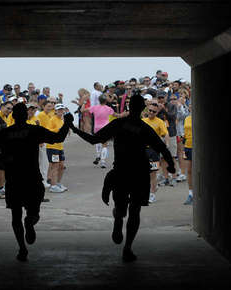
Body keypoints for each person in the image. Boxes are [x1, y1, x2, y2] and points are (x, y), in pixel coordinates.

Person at [69, 94, 175, 262]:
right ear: (143, 109)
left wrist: (75, 129)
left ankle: (118, 220)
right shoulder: (145, 128)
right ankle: (128, 247)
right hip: (139, 173)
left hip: (121, 172)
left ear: (128, 107)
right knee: (135, 211)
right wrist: (171, 164)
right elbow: (162, 147)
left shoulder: (118, 124)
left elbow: (94, 139)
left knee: (122, 208)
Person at [0, 88, 73, 261]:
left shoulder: (5, 133)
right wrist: (68, 122)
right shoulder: (34, 130)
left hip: (13, 178)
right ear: (26, 116)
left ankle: (22, 248)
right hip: (32, 177)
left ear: (13, 117)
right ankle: (31, 221)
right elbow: (58, 138)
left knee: (15, 215)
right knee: (34, 210)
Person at [85, 94, 128, 167]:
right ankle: (103, 161)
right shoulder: (108, 108)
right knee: (104, 145)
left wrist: (84, 103)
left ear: (99, 100)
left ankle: (98, 155)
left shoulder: (94, 107)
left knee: (97, 141)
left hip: (97, 128)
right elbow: (118, 116)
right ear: (106, 101)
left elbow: (82, 110)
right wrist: (124, 114)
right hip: (106, 127)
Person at [142, 103, 169, 203]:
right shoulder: (143, 121)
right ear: (147, 110)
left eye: (154, 112)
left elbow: (165, 134)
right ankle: (150, 189)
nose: (151, 113)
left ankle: (152, 194)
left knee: (153, 173)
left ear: (157, 113)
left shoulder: (160, 122)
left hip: (154, 151)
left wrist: (166, 145)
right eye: (150, 111)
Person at [46, 104, 70, 193]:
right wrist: (58, 129)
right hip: (52, 146)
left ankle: (57, 183)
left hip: (59, 146)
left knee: (61, 166)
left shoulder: (62, 120)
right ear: (55, 111)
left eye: (62, 110)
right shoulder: (52, 119)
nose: (60, 111)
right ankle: (53, 185)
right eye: (59, 110)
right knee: (55, 166)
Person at [183, 103, 193, 205]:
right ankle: (191, 193)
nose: (191, 107)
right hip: (187, 146)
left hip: (198, 147)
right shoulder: (187, 118)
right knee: (189, 170)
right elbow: (185, 133)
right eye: (190, 105)